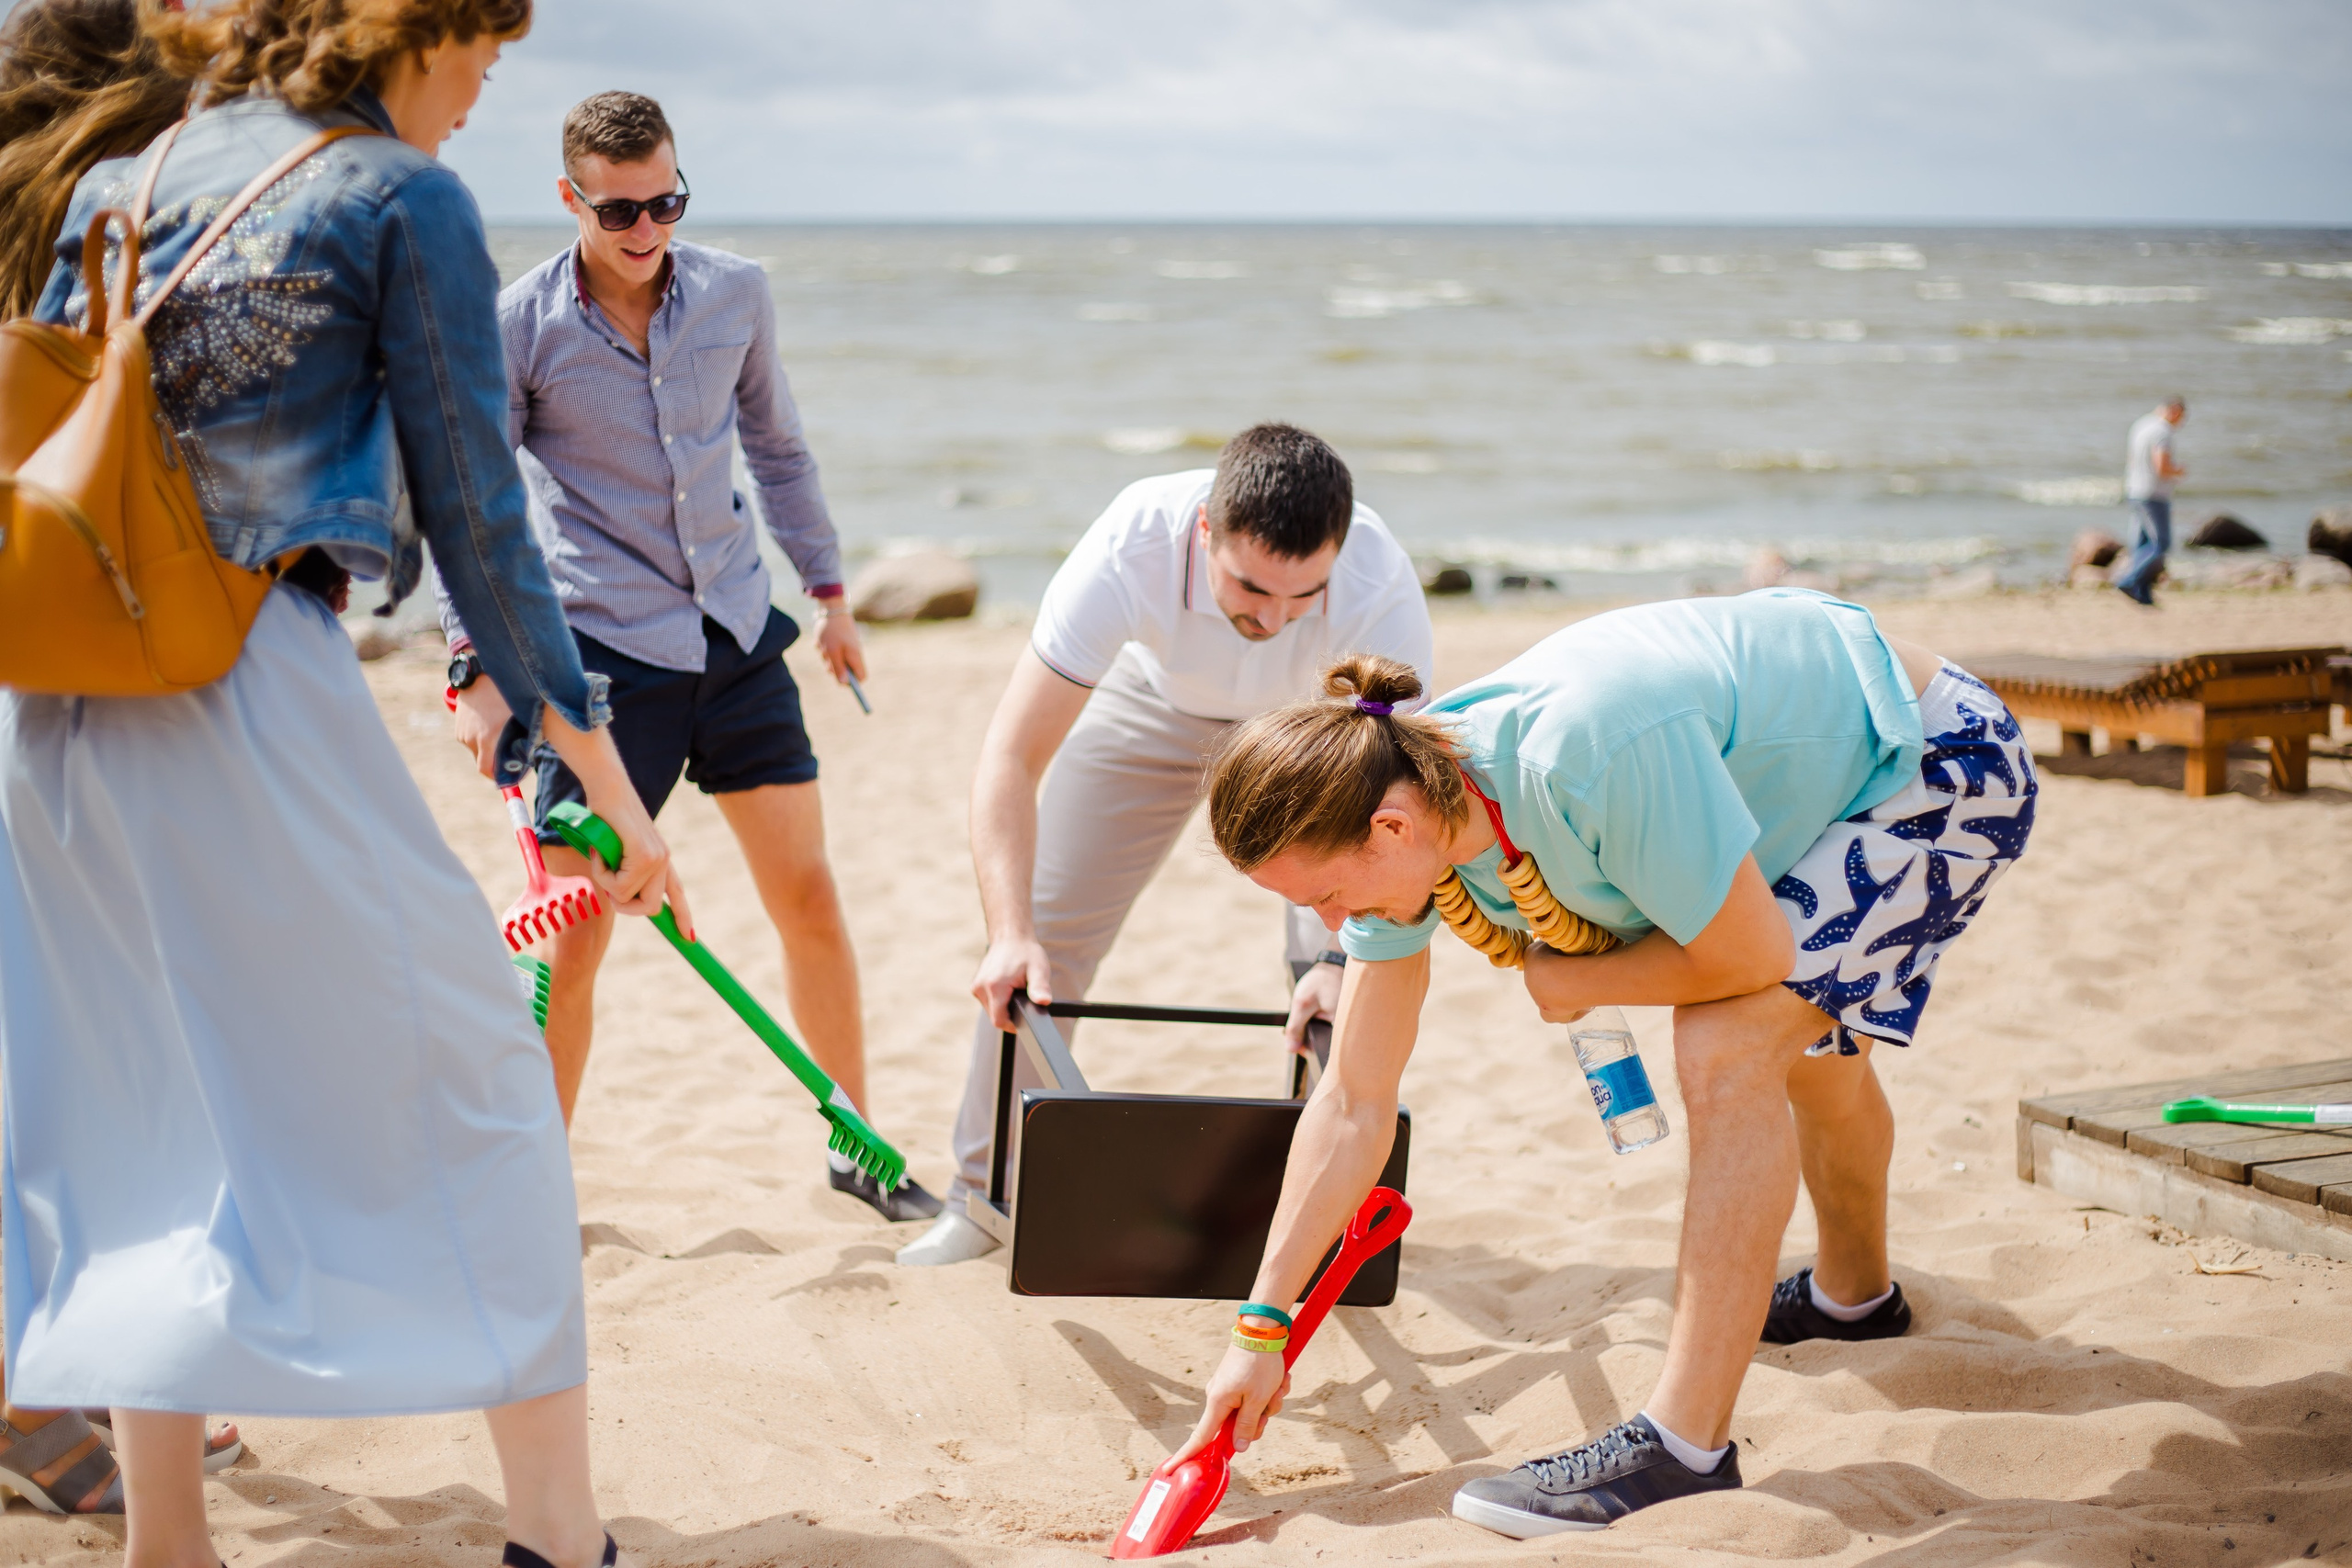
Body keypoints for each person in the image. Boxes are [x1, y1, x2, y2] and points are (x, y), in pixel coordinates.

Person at [1, 3, 686, 1565]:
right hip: (241, 680)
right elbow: (479, 513)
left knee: (136, 1111)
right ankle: (560, 1536)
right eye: (489, 57)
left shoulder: (128, 163)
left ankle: (164, 1541)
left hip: (53, 694)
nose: (483, 94)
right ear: (423, 27)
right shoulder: (395, 192)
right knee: (488, 1084)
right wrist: (601, 776)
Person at [1177, 589, 2037, 1535]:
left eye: (1332, 897)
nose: (1338, 927)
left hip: (1930, 759)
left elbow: (1752, 958)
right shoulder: (1408, 810)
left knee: (1729, 1039)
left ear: (1387, 829)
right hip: (1811, 772)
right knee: (1808, 1054)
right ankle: (1853, 1301)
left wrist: (1578, 983)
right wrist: (1260, 1330)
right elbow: (1352, 1100)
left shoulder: (1577, 759)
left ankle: (1683, 1451)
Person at [436, 91, 932, 1221]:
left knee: (808, 896)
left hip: (739, 634)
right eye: (619, 209)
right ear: (570, 198)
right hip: (600, 658)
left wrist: (833, 593)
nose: (645, 225)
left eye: (665, 200)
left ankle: (857, 1150)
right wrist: (468, 668)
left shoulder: (735, 293)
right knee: (576, 941)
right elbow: (472, 507)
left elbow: (778, 448)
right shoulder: (517, 325)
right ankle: (529, 1192)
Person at [897, 423, 1434, 1268]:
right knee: (1044, 943)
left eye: (1303, 596)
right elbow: (1010, 755)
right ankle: (980, 1197)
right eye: (1252, 588)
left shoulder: (1378, 575)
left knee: (1339, 956)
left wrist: (1337, 956)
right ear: (1203, 534)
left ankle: (1316, 1206)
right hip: (1150, 705)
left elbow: (1397, 803)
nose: (1273, 616)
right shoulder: (1131, 541)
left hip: (1307, 722)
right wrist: (1008, 930)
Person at [0, 0, 243, 1515]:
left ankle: (66, 1370)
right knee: (98, 1046)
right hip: (64, 660)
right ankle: (41, 1397)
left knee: (54, 1044)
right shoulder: (114, 217)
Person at [2115, 397, 2186, 605]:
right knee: (2161, 543)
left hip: (2134, 489)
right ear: (2173, 411)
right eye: (2180, 417)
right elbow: (2161, 466)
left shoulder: (2141, 424)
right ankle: (2128, 580)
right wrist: (2178, 471)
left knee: (2142, 544)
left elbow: (2131, 459)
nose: (2179, 423)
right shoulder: (2162, 431)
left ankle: (2142, 592)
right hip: (2153, 494)